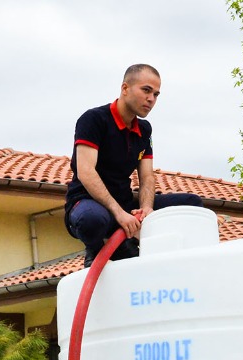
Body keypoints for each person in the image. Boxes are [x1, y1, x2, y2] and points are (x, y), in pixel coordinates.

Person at [65, 63, 204, 265]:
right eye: (146, 90)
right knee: (92, 220)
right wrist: (119, 214)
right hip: (88, 203)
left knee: (192, 203)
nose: (151, 99)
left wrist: (146, 209)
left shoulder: (144, 129)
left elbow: (147, 176)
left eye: (156, 94)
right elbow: (86, 172)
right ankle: (97, 248)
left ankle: (135, 244)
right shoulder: (93, 120)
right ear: (125, 88)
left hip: (126, 203)